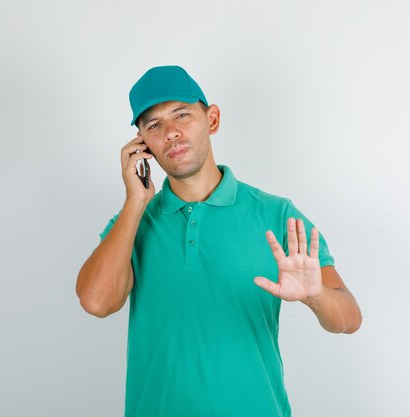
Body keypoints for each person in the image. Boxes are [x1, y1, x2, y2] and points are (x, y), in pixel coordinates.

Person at [76, 65, 362, 417]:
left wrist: (316, 295)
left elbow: (349, 319)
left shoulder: (276, 214)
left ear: (212, 119)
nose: (171, 133)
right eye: (154, 125)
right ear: (142, 144)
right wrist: (136, 201)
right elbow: (96, 302)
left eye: (182, 114)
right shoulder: (132, 224)